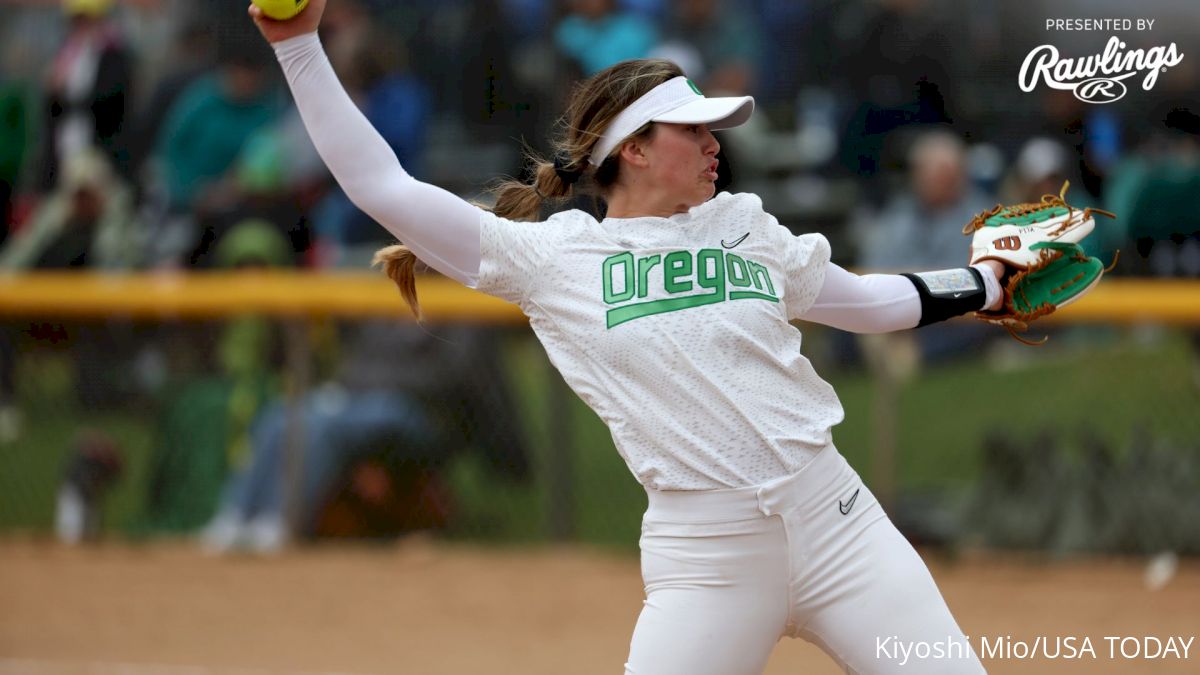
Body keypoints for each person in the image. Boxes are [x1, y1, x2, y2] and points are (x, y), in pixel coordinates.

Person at [249, 2, 1028, 671]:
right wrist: (299, 46)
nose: (715, 141)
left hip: (842, 526)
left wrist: (988, 282)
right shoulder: (557, 258)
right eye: (693, 129)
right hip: (709, 562)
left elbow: (866, 302)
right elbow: (381, 185)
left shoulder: (744, 228)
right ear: (634, 148)